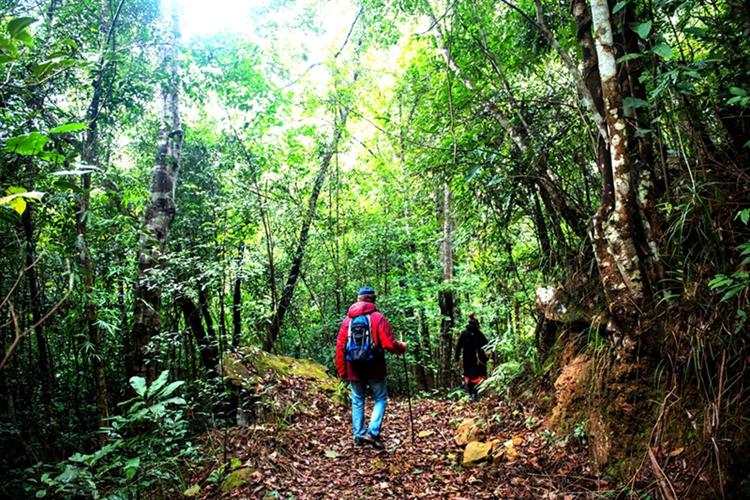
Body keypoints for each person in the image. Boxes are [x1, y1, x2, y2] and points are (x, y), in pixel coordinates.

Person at [335, 286, 407, 448]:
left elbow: (340, 347)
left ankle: (359, 436)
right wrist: (401, 347)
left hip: (353, 367)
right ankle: (373, 433)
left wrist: (342, 371)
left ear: (359, 299)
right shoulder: (377, 318)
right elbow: (389, 344)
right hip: (375, 366)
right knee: (380, 398)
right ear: (372, 299)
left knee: (358, 400)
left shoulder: (348, 321)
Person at [454, 313, 488, 401]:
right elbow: (487, 345)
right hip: (479, 360)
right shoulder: (479, 333)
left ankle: (471, 394)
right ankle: (475, 394)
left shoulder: (464, 333)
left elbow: (458, 346)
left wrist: (456, 357)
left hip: (468, 359)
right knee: (478, 376)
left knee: (469, 376)